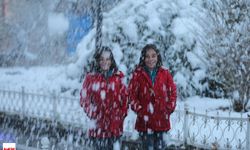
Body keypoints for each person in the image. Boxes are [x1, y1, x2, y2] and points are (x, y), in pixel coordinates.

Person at [128, 44, 177, 150]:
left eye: (153, 56)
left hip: (162, 121)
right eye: (147, 56)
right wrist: (140, 110)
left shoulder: (165, 73)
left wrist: (169, 108)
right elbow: (131, 96)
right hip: (145, 123)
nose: (151, 59)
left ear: (157, 57)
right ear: (143, 58)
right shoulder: (137, 74)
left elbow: (172, 92)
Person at [80, 46, 128, 150]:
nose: (104, 62)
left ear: (111, 61)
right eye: (101, 59)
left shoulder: (119, 77)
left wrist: (120, 115)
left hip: (115, 127)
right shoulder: (90, 78)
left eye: (107, 59)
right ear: (97, 61)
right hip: (98, 127)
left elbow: (125, 99)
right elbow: (84, 99)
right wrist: (94, 113)